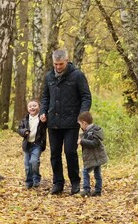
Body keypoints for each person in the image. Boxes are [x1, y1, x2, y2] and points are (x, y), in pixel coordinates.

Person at [39, 49, 92, 195]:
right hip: (53, 122)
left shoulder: (77, 75)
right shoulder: (49, 76)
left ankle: (75, 182)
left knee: (70, 152)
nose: (58, 67)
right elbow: (45, 97)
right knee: (55, 154)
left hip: (71, 122)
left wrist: (82, 116)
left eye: (60, 64)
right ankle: (58, 183)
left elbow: (86, 97)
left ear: (67, 61)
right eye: (55, 64)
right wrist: (43, 112)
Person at [77, 111, 108, 197]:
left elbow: (94, 143)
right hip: (95, 157)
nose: (80, 126)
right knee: (97, 172)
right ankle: (98, 190)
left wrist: (82, 141)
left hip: (95, 157)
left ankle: (86, 189)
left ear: (84, 123)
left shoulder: (91, 132)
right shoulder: (90, 130)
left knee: (85, 171)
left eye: (80, 124)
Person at [18, 99, 47, 189]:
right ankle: (29, 181)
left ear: (39, 107)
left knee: (34, 161)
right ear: (27, 108)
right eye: (30, 106)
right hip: (27, 144)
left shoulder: (41, 118)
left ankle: (36, 179)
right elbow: (19, 129)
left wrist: (44, 121)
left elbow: (44, 126)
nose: (32, 108)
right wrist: (24, 131)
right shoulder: (25, 119)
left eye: (35, 106)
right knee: (27, 165)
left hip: (37, 144)